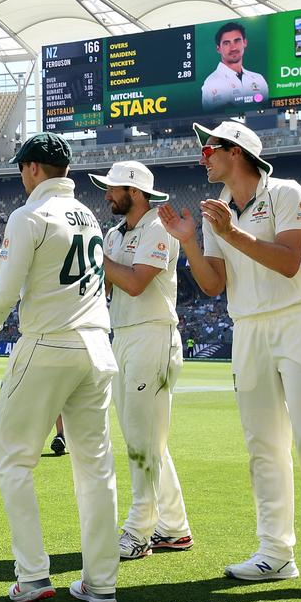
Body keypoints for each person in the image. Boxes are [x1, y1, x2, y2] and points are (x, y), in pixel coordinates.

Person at [0, 134, 120, 602]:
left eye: (22, 167)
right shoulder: (87, 215)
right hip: (97, 347)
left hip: (48, 344)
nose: (21, 175)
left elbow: (10, 279)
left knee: (13, 459)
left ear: (33, 168)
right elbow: (18, 258)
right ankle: (101, 584)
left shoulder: (28, 214)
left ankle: (33, 577)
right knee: (95, 468)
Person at [159, 121, 301, 593]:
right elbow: (213, 285)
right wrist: (191, 239)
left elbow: (290, 262)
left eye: (209, 148)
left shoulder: (287, 193)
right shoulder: (218, 213)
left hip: (298, 322)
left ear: (237, 153)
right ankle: (275, 553)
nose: (202, 157)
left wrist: (230, 233)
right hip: (247, 328)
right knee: (263, 445)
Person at [90, 161, 193, 560]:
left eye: (113, 189)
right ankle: (174, 528)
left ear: (134, 191)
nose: (107, 195)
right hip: (124, 336)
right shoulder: (116, 233)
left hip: (154, 336)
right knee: (146, 440)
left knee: (143, 441)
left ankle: (138, 531)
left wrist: (96, 258)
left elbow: (134, 283)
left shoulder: (159, 228)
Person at [200, 22, 269, 110]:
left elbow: (268, 112)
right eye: (226, 43)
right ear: (218, 49)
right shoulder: (211, 83)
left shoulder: (259, 79)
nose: (233, 48)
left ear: (245, 42)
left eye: (237, 41)